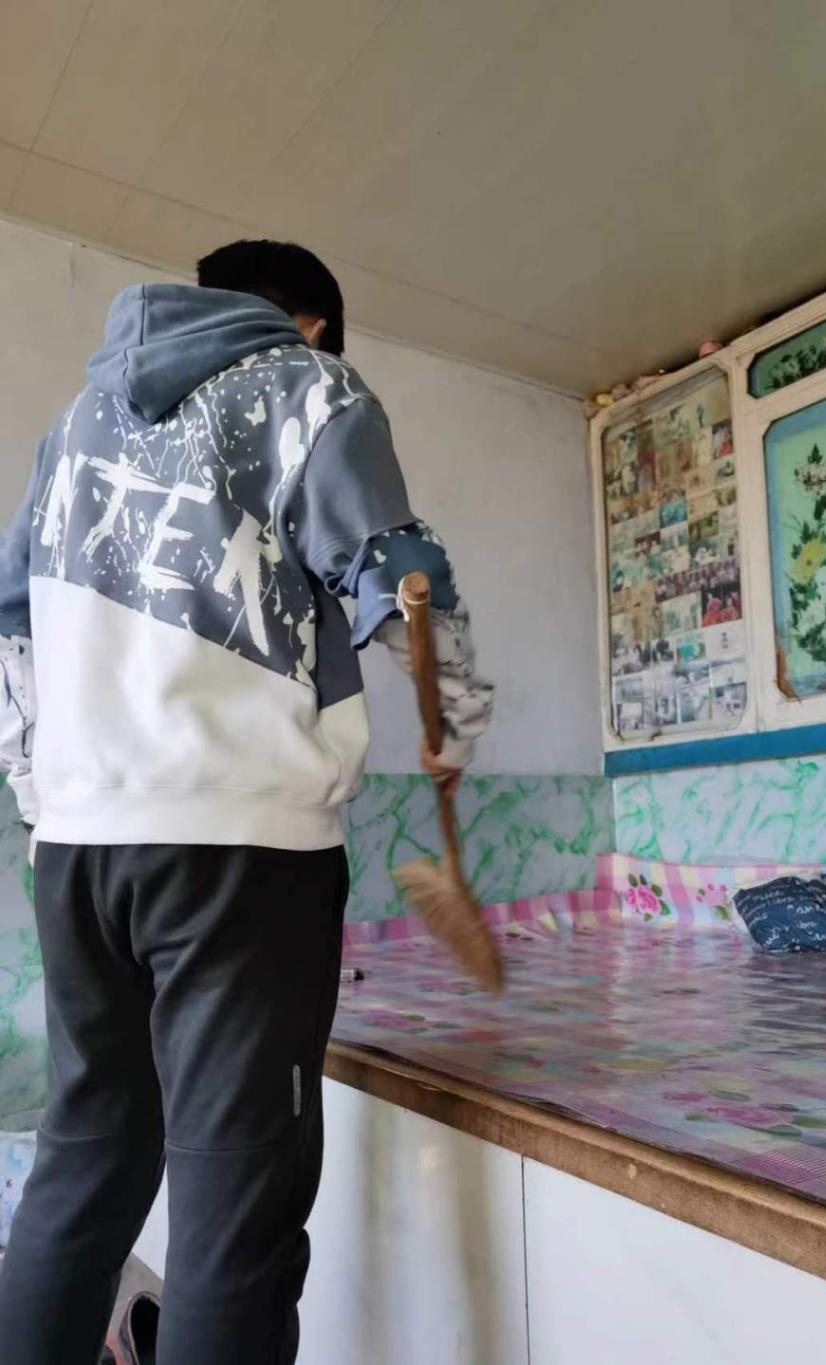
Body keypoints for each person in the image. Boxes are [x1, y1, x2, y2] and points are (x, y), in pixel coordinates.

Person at [0, 240, 493, 1365]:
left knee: (86, 1158)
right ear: (310, 324)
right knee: (235, 1199)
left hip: (76, 852)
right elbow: (400, 578)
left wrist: (39, 796)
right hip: (238, 852)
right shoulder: (307, 385)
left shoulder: (71, 430)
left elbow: (8, 623)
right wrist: (453, 722)